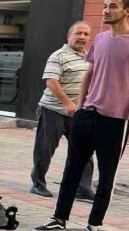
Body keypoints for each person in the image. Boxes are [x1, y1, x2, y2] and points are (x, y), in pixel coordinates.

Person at [33, 0, 129, 231]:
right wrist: (81, 107)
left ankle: (93, 225)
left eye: (113, 6)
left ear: (127, 10)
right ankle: (59, 219)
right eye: (105, 6)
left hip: (115, 120)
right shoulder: (101, 39)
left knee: (106, 176)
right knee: (72, 169)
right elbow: (89, 75)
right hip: (87, 116)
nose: (106, 10)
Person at [29, 21, 94, 199]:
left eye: (86, 34)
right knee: (45, 150)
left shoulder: (89, 57)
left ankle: (82, 188)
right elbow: (51, 82)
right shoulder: (58, 55)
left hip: (78, 113)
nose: (82, 37)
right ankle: (38, 184)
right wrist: (67, 103)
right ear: (69, 36)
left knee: (85, 150)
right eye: (78, 33)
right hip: (52, 111)